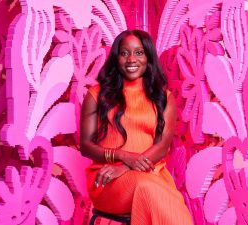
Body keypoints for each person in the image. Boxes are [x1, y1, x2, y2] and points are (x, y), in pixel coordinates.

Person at [80, 29, 193, 225]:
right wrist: (122, 156)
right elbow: (86, 146)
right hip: (107, 179)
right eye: (124, 53)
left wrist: (126, 165)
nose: (131, 59)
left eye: (139, 53)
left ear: (148, 57)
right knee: (150, 190)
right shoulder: (96, 95)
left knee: (156, 191)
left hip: (152, 174)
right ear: (116, 58)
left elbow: (163, 145)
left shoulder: (164, 98)